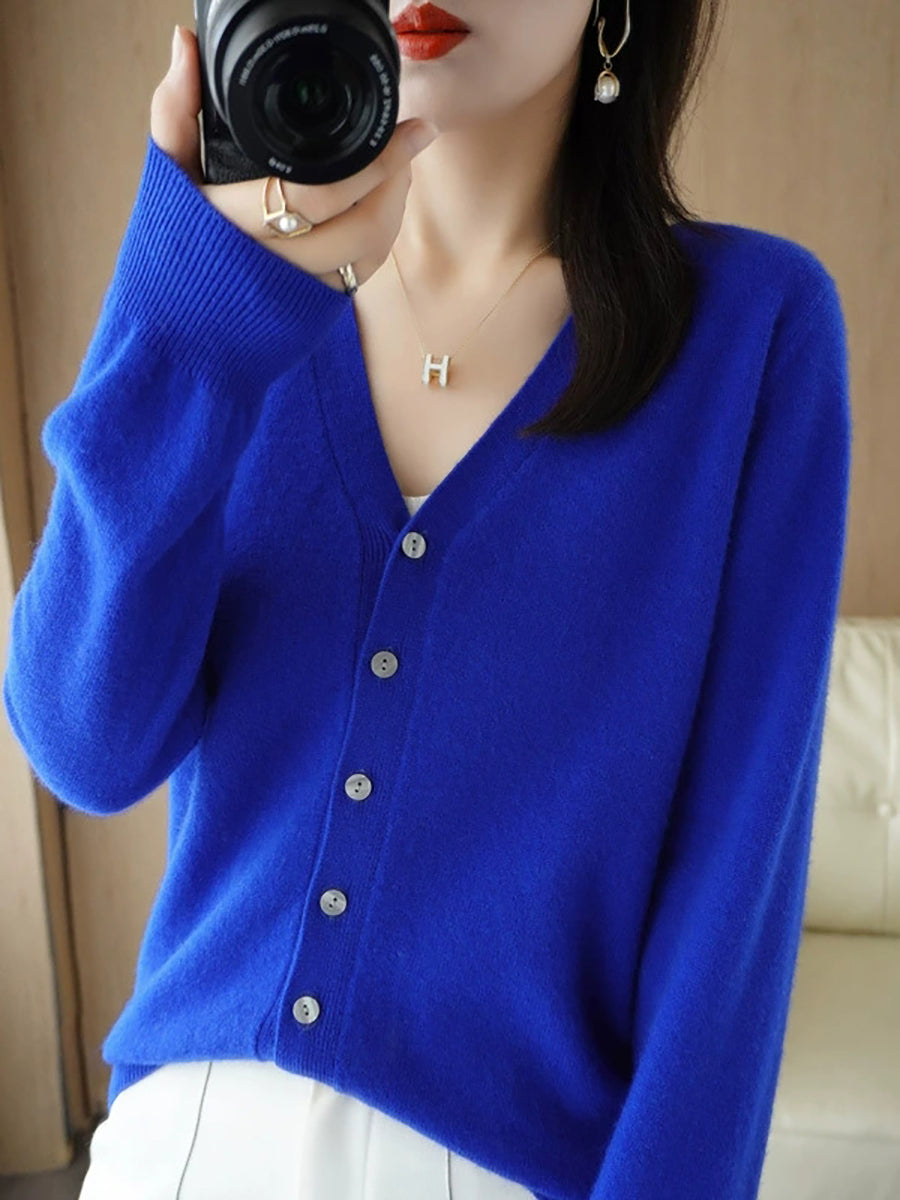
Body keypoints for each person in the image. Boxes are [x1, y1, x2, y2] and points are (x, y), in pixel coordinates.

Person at [2, 1, 852, 1198]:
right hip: (179, 1147)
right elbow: (83, 744)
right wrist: (191, 310)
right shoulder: (226, 294)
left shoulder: (752, 329)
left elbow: (731, 915)